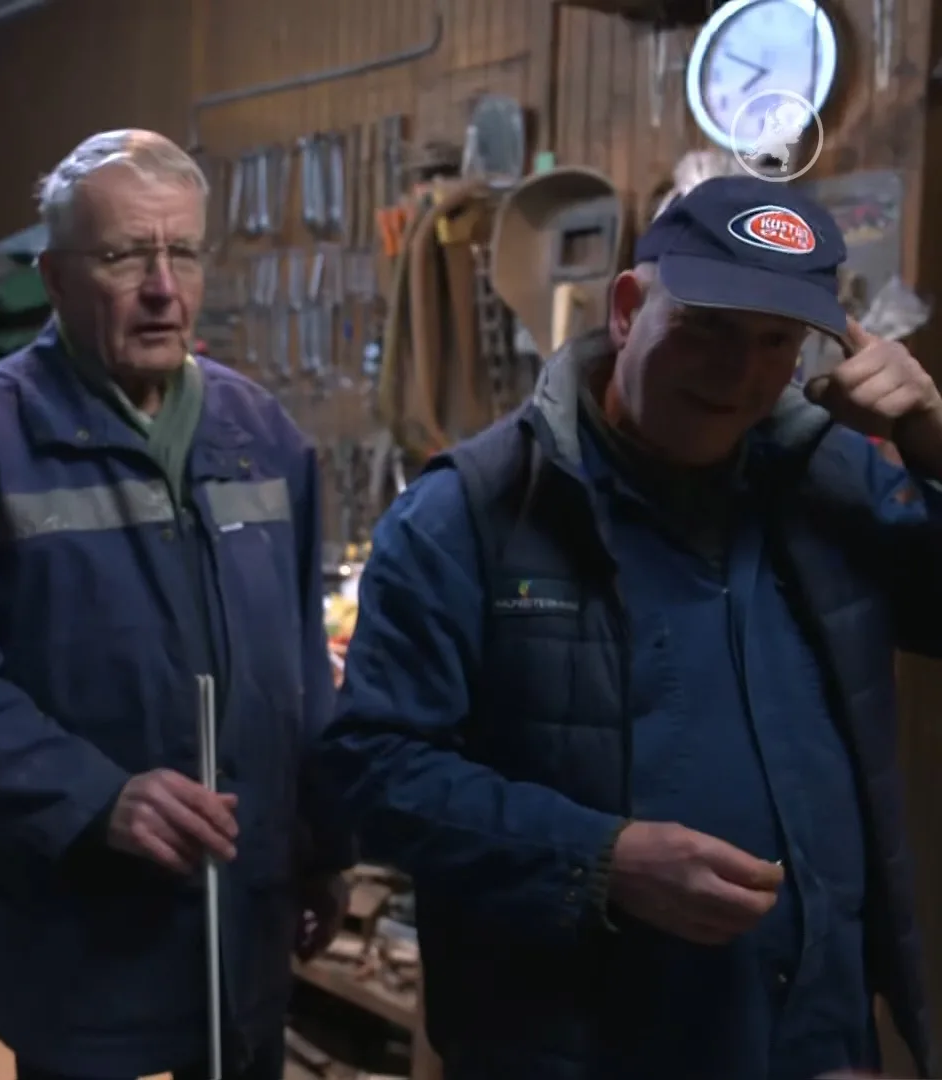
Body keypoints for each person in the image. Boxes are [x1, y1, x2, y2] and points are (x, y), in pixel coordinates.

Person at [321, 176, 937, 1080]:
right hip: (573, 1049)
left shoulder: (829, 484)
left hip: (809, 1045)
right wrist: (599, 860)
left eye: (774, 341)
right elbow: (369, 772)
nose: (738, 373)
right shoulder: (471, 515)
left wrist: (931, 439)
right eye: (708, 326)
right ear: (626, 309)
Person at [0, 129, 347, 1080]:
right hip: (80, 933)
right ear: (54, 277)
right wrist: (97, 797)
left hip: (247, 913)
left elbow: (304, 663)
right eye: (124, 254)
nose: (162, 286)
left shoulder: (264, 435)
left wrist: (324, 844)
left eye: (181, 252)